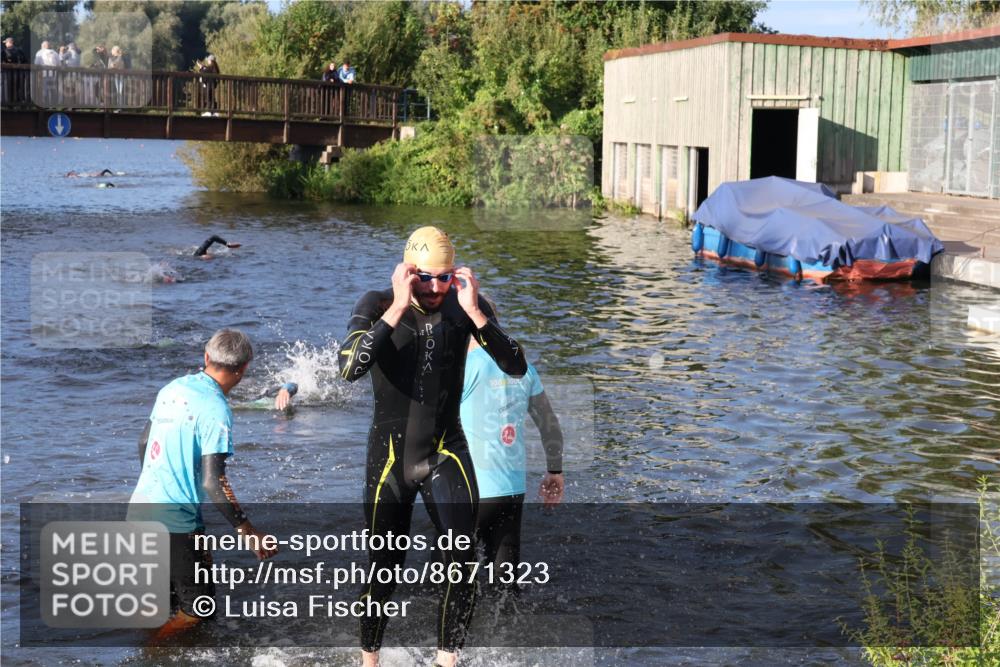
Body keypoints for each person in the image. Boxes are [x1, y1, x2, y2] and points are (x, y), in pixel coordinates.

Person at [338, 226, 527, 667]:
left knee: (461, 558)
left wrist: (477, 312)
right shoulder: (377, 304)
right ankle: (370, 659)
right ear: (406, 272)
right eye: (425, 277)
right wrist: (398, 307)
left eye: (445, 277)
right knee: (384, 567)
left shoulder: (465, 308)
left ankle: (447, 660)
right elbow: (348, 368)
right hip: (389, 460)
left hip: (446, 452)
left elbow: (515, 366)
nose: (437, 287)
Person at [128, 329, 278, 641]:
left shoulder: (172, 388)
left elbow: (144, 442)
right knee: (199, 609)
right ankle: (150, 656)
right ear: (244, 368)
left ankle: (153, 652)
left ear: (206, 357)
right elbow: (214, 481)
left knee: (162, 606)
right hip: (175, 523)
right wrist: (248, 531)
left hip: (140, 509)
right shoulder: (217, 410)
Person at [461, 307, 564, 596]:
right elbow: (550, 426)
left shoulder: (462, 366)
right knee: (505, 583)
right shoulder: (524, 367)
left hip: (470, 491)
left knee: (449, 578)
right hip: (511, 491)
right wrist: (555, 472)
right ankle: (508, 635)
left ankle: (446, 639)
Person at [34, 40, 59, 105]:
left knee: (44, 89)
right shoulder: (55, 53)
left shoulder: (39, 52)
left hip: (43, 74)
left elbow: (36, 64)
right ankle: (54, 104)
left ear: (43, 46)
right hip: (53, 74)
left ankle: (45, 104)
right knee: (52, 89)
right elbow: (59, 64)